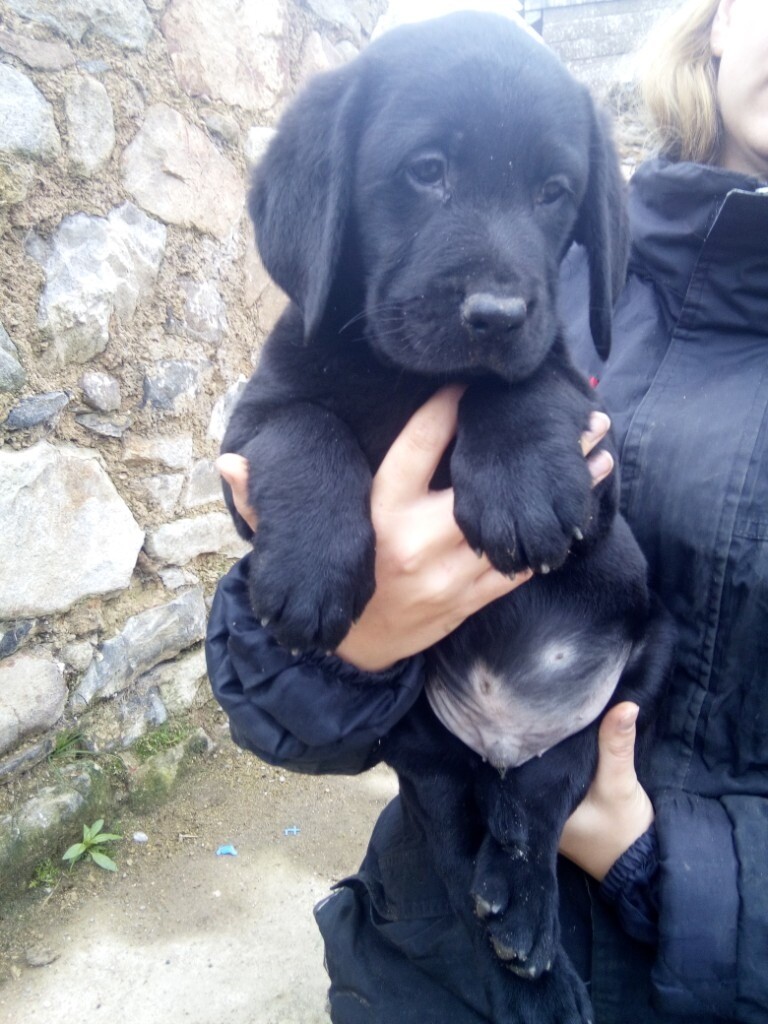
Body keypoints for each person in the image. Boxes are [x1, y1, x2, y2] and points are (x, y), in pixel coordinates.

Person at [206, 0, 768, 1020]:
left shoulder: (574, 287)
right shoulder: (349, 331)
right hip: (422, 955)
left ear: (582, 217)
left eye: (549, 195)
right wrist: (353, 641)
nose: (503, 287)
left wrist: (659, 870)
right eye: (427, 170)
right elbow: (273, 453)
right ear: (722, 17)